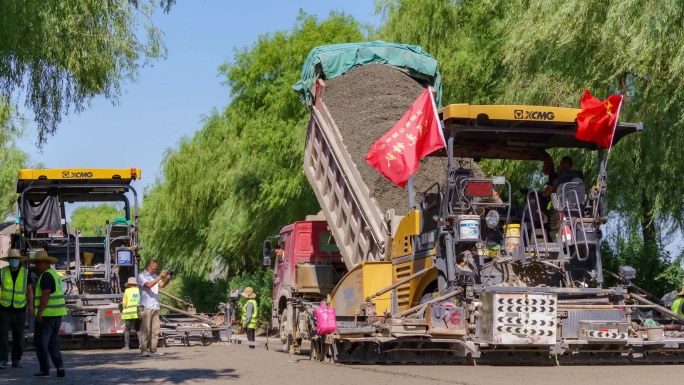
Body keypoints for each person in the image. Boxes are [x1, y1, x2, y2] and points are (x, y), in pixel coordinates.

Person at [29, 250, 66, 378]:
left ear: (45, 263)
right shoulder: (54, 274)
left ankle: (45, 370)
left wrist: (39, 313)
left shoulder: (45, 276)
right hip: (57, 314)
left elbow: (46, 294)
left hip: (47, 316)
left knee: (41, 343)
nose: (36, 266)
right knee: (53, 342)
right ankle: (59, 366)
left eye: (38, 263)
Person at [0, 249, 33, 369]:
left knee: (18, 337)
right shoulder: (2, 272)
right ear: (8, 260)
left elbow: (29, 291)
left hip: (19, 310)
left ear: (20, 260)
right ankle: (2, 359)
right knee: (2, 335)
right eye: (12, 259)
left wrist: (31, 306)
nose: (14, 261)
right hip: (4, 309)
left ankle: (16, 360)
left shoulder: (25, 273)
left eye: (16, 258)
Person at [137, 259, 172, 357]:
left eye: (157, 269)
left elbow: (162, 285)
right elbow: (148, 285)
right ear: (149, 267)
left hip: (155, 306)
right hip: (146, 306)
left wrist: (168, 279)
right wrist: (160, 277)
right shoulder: (141, 276)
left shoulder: (155, 276)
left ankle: (153, 349)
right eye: (154, 269)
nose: (155, 271)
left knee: (156, 330)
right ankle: (144, 350)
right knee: (146, 330)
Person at [121, 277, 141, 350]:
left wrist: (122, 310)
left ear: (129, 284)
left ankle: (127, 346)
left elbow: (124, 303)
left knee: (127, 329)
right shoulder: (139, 290)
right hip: (137, 312)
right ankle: (141, 344)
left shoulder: (127, 291)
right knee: (138, 328)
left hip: (128, 313)